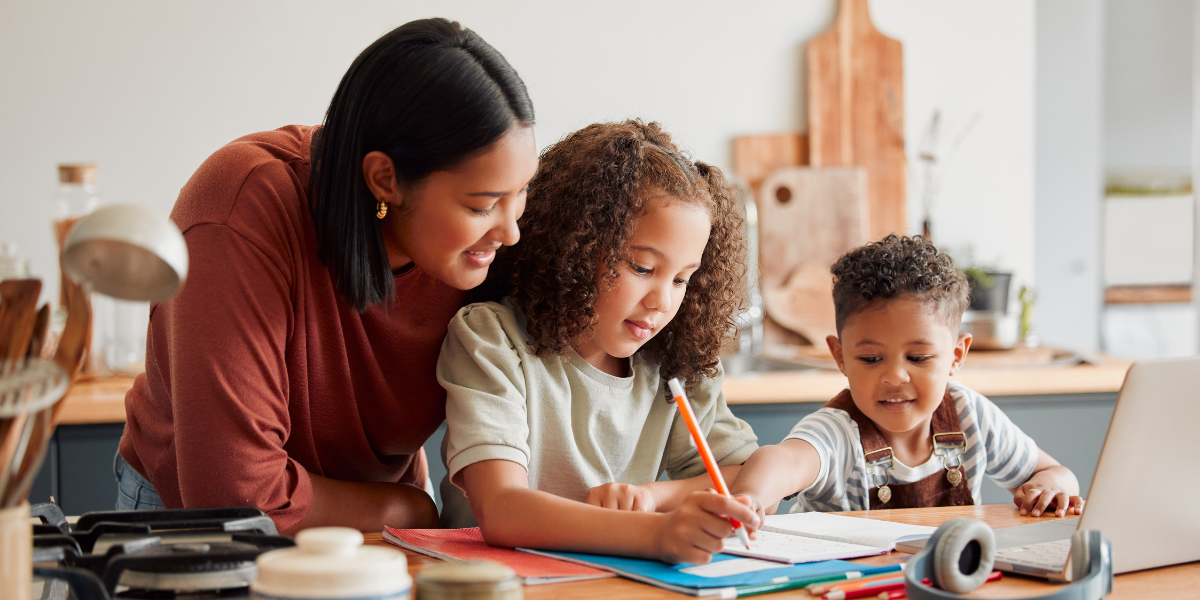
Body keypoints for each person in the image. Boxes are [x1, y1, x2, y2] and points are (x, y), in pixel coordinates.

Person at [115, 18, 538, 534]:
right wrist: (410, 508)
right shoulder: (239, 213)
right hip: (203, 530)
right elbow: (239, 497)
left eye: (520, 194)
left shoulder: (475, 246)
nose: (511, 231)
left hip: (375, 513)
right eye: (482, 205)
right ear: (385, 179)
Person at [437, 120, 761, 564]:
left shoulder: (674, 367)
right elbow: (501, 510)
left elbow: (744, 478)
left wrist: (652, 497)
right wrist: (652, 532)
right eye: (643, 268)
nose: (662, 301)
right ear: (577, 246)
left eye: (683, 279)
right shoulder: (494, 340)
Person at [730, 235, 1086, 519]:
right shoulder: (836, 433)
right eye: (871, 358)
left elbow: (1052, 472)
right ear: (840, 356)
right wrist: (751, 497)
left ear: (956, 356)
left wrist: (1051, 486)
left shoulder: (969, 414)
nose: (895, 375)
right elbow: (783, 460)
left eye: (918, 357)